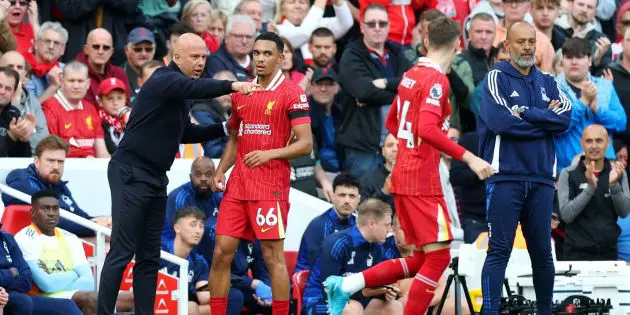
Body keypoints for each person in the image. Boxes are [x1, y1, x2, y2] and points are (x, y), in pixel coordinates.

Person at [323, 17, 494, 315]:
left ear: (426, 43)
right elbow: (428, 129)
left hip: (405, 175)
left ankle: (347, 285)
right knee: (439, 259)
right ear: (458, 45)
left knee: (419, 260)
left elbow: (392, 123)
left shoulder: (410, 75)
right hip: (422, 180)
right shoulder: (436, 81)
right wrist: (469, 157)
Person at [96, 32, 257, 315]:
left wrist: (224, 128)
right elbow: (198, 89)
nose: (199, 62)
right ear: (176, 57)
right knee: (122, 251)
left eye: (204, 57)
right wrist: (233, 85)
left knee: (149, 256)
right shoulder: (163, 78)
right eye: (194, 56)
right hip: (131, 171)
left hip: (156, 176)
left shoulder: (181, 92)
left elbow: (184, 133)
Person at [209, 31, 312, 315]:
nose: (260, 59)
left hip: (270, 187)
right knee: (220, 253)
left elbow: (306, 143)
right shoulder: (243, 91)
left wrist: (270, 153)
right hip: (238, 186)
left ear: (281, 58)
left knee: (272, 257)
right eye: (256, 53)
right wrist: (221, 170)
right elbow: (234, 137)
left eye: (267, 54)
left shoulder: (292, 92)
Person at [478, 21, 572, 315]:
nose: (528, 47)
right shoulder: (496, 78)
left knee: (543, 254)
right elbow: (499, 122)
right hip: (506, 176)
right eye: (520, 42)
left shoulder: (549, 81)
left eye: (531, 41)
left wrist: (528, 114)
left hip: (542, 179)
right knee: (499, 251)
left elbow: (565, 118)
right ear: (507, 45)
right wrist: (545, 121)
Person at [302, 199, 401, 315]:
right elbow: (331, 291)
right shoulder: (338, 244)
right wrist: (366, 293)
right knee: (353, 309)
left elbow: (370, 285)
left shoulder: (378, 247)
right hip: (318, 302)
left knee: (393, 307)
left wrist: (384, 292)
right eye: (387, 225)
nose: (390, 230)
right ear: (372, 224)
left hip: (354, 299)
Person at [2, 135, 111, 237]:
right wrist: (94, 226)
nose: (56, 166)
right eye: (50, 161)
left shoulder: (60, 186)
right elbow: (52, 218)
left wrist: (102, 221)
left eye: (60, 162)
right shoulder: (21, 177)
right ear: (37, 161)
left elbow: (79, 215)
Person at [14, 189, 97, 314]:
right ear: (32, 212)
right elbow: (46, 285)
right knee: (90, 298)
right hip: (43, 297)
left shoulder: (70, 238)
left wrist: (56, 279)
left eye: (55, 208)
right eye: (45, 208)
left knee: (130, 298)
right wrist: (73, 274)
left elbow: (88, 282)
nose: (51, 213)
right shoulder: (25, 238)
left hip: (72, 293)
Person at [558, 124, 630, 260]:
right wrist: (590, 188)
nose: (594, 146)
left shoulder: (618, 172)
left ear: (607, 143)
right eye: (589, 141)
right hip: (575, 253)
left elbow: (624, 212)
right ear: (582, 143)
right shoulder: (568, 174)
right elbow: (566, 215)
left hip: (608, 252)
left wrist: (614, 185)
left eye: (599, 140)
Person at [0, 207, 82, 315]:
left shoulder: (7, 238)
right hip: (16, 300)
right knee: (22, 302)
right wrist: (11, 273)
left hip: (11, 294)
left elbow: (26, 279)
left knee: (67, 306)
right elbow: (17, 273)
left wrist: (4, 288)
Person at [42, 61, 110, 158]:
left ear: (88, 84)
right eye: (71, 81)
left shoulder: (90, 109)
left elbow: (102, 151)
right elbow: (51, 153)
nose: (76, 86)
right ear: (62, 81)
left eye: (80, 81)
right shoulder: (49, 108)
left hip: (92, 168)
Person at [295, 173, 360, 273]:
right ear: (333, 197)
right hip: (313, 284)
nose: (347, 201)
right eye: (342, 195)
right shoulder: (319, 226)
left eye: (352, 196)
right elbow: (317, 268)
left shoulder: (359, 225)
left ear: (358, 199)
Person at [162, 157, 222, 261]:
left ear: (215, 177)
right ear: (191, 177)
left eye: (208, 174)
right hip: (171, 254)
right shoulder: (179, 198)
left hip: (203, 256)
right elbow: (181, 236)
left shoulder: (220, 196)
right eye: (198, 175)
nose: (203, 179)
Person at [0, 51, 48, 153]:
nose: (15, 70)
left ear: (25, 73)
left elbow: (43, 138)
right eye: (10, 66)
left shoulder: (32, 100)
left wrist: (23, 139)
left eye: (19, 67)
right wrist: (13, 136)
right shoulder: (3, 101)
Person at [0, 66, 33, 157]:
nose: (2, 91)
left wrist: (23, 140)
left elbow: (24, 159)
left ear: (13, 94)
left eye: (8, 88)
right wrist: (11, 137)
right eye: (0, 86)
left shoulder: (13, 114)